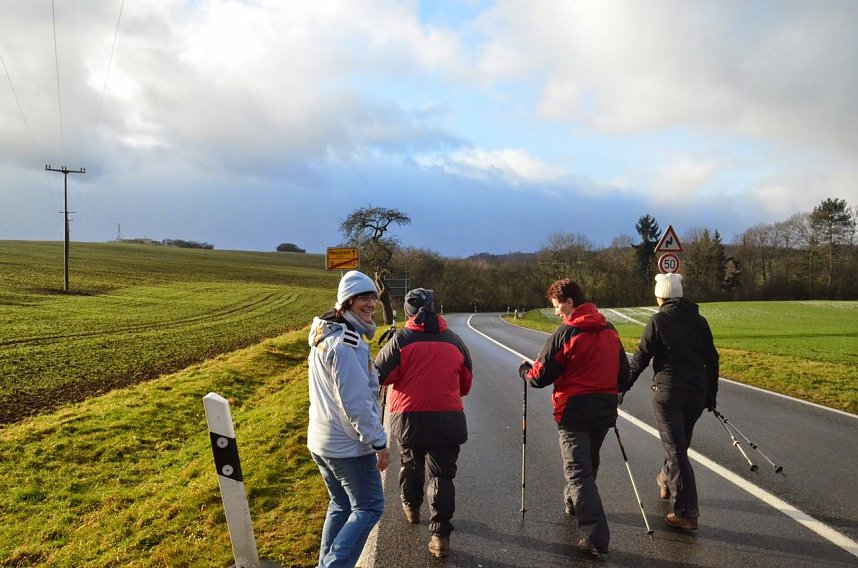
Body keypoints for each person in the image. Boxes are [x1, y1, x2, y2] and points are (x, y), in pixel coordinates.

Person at [518, 278, 629, 558]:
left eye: (557, 306)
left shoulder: (566, 333)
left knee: (578, 471)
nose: (556, 312)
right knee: (588, 461)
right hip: (604, 408)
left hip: (573, 411)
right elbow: (624, 375)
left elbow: (541, 376)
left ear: (569, 302)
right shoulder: (609, 329)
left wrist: (525, 372)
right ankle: (573, 502)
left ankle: (595, 537)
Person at [375, 288, 473, 559]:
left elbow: (378, 376)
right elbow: (466, 383)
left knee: (411, 464)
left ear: (408, 311)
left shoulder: (399, 341)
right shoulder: (454, 340)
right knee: (442, 475)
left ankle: (412, 508)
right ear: (434, 309)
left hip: (408, 418)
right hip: (448, 418)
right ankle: (440, 536)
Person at [622, 272, 719, 531]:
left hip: (668, 394)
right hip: (696, 394)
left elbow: (640, 359)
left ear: (661, 295)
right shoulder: (700, 321)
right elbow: (712, 359)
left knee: (676, 449)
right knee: (679, 444)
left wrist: (621, 387)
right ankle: (665, 480)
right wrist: (711, 394)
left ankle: (686, 512)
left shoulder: (659, 321)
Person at [306, 270, 390, 568]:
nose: (370, 304)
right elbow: (355, 403)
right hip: (346, 445)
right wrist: (379, 441)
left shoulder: (324, 334)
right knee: (369, 507)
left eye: (373, 297)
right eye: (363, 298)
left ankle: (325, 564)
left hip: (321, 440)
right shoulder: (345, 345)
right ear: (346, 303)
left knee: (341, 504)